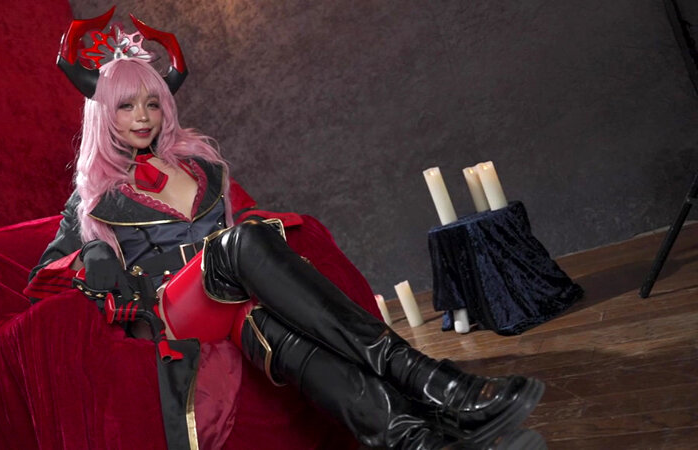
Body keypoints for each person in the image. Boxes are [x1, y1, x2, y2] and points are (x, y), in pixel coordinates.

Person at [28, 10, 546, 450]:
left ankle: (414, 438)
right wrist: (94, 255)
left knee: (273, 329)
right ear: (103, 113)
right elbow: (45, 274)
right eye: (126, 106)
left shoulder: (201, 167)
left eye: (152, 103)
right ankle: (437, 381)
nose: (143, 118)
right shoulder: (92, 195)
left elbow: (248, 224)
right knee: (240, 244)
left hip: (232, 302)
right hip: (169, 313)